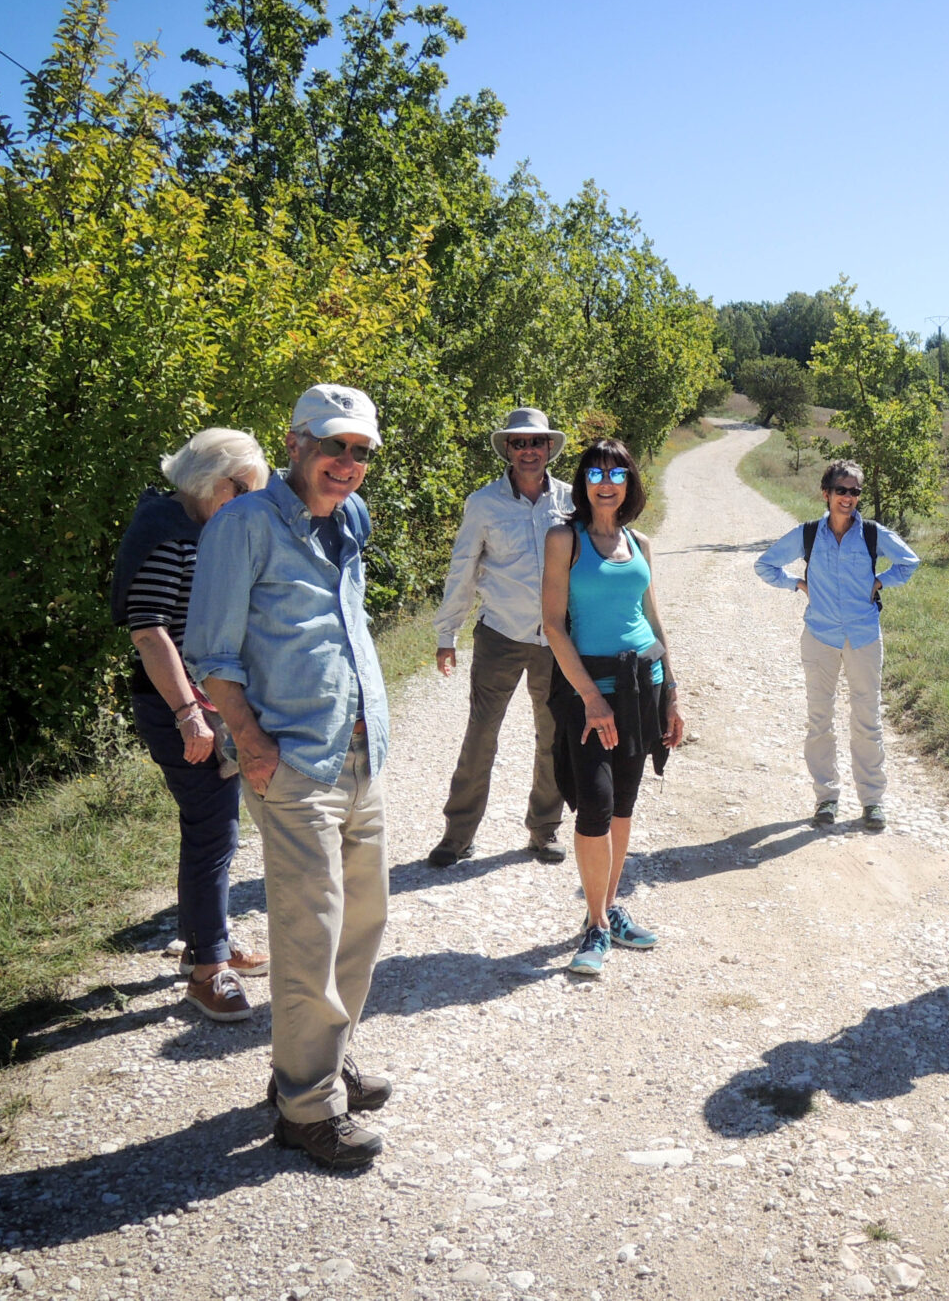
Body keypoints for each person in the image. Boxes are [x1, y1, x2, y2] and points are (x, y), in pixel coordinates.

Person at [184, 384, 394, 1168]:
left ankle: (323, 1066)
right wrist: (250, 742)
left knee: (361, 924)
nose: (348, 463)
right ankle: (307, 1109)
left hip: (362, 751)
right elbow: (211, 652)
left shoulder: (349, 519)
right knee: (309, 935)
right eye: (336, 445)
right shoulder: (241, 526)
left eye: (362, 451)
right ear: (296, 442)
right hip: (294, 760)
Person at [111, 429, 272, 1022]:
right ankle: (208, 972)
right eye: (244, 489)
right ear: (217, 483)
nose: (248, 500)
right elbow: (149, 631)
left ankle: (209, 943)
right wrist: (188, 715)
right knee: (213, 829)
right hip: (179, 705)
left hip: (208, 700)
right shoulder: (162, 529)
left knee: (210, 826)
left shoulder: (198, 526)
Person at [539, 438, 685, 978]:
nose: (606, 481)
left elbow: (653, 617)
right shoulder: (564, 540)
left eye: (617, 473)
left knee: (623, 805)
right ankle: (596, 925)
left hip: (642, 684)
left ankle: (608, 908)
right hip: (588, 690)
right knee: (595, 808)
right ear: (583, 483)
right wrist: (592, 697)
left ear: (629, 483)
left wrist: (671, 692)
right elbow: (553, 625)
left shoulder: (640, 542)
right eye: (596, 472)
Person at [427, 408, 577, 868]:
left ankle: (544, 830)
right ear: (507, 450)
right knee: (480, 736)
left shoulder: (573, 501)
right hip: (501, 635)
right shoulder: (484, 503)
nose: (528, 451)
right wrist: (446, 632)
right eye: (518, 443)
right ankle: (458, 835)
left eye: (536, 442)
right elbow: (463, 566)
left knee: (553, 735)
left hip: (558, 641)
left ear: (549, 448)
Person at [753, 459, 921, 830]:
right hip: (820, 637)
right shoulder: (808, 534)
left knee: (868, 720)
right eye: (841, 490)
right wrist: (797, 584)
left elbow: (910, 562)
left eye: (855, 491)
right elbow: (765, 566)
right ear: (826, 494)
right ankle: (826, 798)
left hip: (863, 636)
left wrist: (880, 583)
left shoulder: (873, 534)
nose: (848, 497)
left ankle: (873, 802)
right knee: (820, 720)